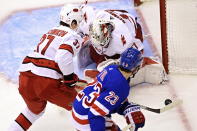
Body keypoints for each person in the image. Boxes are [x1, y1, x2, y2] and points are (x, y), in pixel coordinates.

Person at [7, 4, 87, 131]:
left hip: (25, 77)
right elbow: (63, 56)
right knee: (83, 108)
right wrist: (69, 79)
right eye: (79, 22)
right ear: (73, 22)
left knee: (33, 112)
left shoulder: (51, 30)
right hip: (44, 81)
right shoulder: (72, 35)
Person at [82, 9, 168, 86]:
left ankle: (147, 62)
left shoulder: (122, 39)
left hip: (132, 29)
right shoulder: (92, 23)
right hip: (116, 16)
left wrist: (135, 62)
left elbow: (136, 51)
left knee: (129, 62)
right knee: (96, 54)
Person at [71, 47, 145, 131]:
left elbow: (108, 95)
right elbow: (95, 114)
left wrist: (126, 107)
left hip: (79, 107)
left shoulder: (112, 68)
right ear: (136, 68)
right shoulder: (120, 86)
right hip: (85, 118)